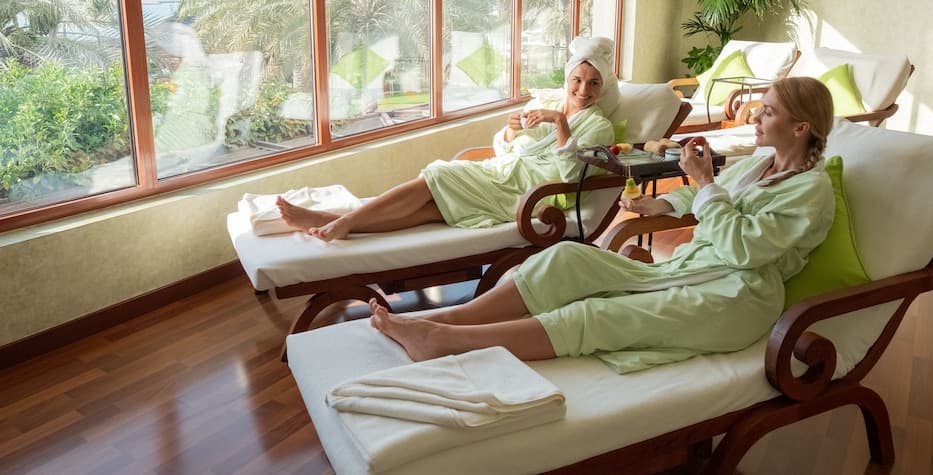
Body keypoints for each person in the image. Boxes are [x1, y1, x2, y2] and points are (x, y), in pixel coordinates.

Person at [368, 76, 836, 373]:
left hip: (734, 296)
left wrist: (706, 183)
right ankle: (442, 318)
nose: (755, 116)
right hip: (689, 269)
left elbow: (744, 250)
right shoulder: (758, 164)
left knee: (600, 315)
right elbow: (707, 197)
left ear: (800, 128)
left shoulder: (810, 192)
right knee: (566, 258)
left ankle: (448, 342)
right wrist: (664, 203)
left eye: (768, 111)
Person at [277, 36, 620, 241]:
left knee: (438, 175)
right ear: (568, 79)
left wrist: (560, 124)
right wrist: (511, 130)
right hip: (500, 174)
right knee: (431, 210)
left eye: (593, 83)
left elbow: (572, 177)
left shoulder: (599, 126)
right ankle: (332, 222)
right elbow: (505, 148)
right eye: (577, 80)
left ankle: (344, 221)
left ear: (602, 87)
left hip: (529, 193)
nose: (583, 90)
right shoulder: (543, 102)